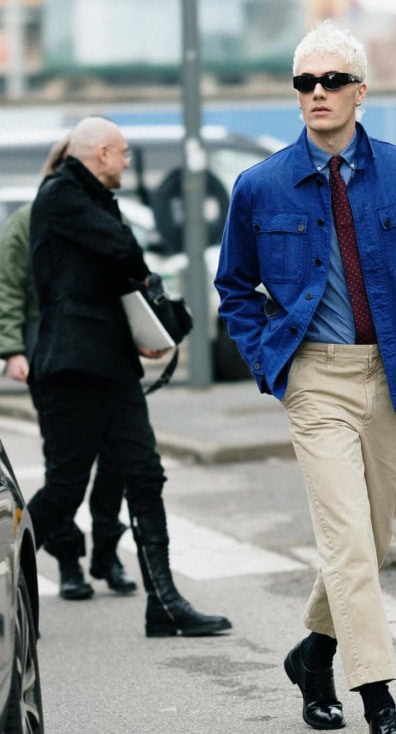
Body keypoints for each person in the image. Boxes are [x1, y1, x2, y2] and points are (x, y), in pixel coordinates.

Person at [215, 20, 396, 734]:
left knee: (369, 543)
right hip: (315, 379)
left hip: (393, 373)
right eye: (305, 82)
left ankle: (313, 654)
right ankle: (382, 706)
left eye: (332, 80)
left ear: (360, 91)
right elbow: (234, 288)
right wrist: (271, 363)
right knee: (346, 541)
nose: (317, 93)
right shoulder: (260, 186)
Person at [28, 115, 231, 637]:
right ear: (101, 154)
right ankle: (9, 579)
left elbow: (117, 269)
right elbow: (123, 252)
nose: (127, 162)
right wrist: (142, 276)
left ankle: (163, 604)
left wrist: (145, 317)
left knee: (144, 473)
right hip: (72, 368)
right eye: (123, 153)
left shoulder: (94, 198)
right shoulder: (61, 195)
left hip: (111, 365)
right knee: (65, 489)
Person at [0, 136, 136, 601]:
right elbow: (9, 286)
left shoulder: (103, 214)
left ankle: (107, 552)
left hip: (102, 353)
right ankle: (68, 561)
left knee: (116, 459)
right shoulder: (30, 218)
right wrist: (12, 350)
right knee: (65, 466)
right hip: (51, 353)